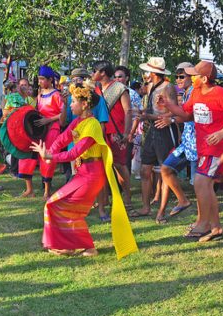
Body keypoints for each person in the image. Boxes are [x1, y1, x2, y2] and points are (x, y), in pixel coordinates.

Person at [31, 83, 138, 259]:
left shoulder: (93, 125)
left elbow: (74, 152)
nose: (71, 105)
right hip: (82, 174)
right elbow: (61, 139)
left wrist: (50, 157)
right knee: (54, 205)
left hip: (91, 176)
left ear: (85, 104)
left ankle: (88, 247)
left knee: (69, 210)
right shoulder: (78, 121)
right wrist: (49, 151)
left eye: (73, 101)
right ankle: (66, 246)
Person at [162, 60, 223, 241]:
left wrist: (222, 132)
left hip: (218, 149)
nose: (191, 77)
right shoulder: (196, 93)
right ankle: (215, 228)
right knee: (205, 185)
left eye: (194, 75)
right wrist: (168, 105)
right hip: (204, 148)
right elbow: (186, 114)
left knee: (200, 182)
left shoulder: (221, 94)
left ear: (204, 78)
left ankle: (204, 224)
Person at [132, 57, 178, 224]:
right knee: (145, 170)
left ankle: (161, 212)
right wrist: (142, 111)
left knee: (165, 172)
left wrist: (147, 115)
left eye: (148, 71)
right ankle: (146, 207)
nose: (146, 74)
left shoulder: (168, 87)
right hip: (152, 130)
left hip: (165, 132)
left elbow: (174, 111)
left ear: (153, 72)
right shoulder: (150, 87)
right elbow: (152, 108)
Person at [60, 69, 110, 221]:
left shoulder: (98, 100)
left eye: (80, 79)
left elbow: (102, 124)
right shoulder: (70, 100)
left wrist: (92, 141)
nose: (77, 82)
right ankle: (80, 210)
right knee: (78, 180)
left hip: (93, 149)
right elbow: (63, 123)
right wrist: (63, 104)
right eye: (74, 79)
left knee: (99, 181)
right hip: (75, 148)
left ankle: (101, 209)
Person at [154, 62, 197, 219]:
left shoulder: (194, 92)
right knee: (166, 169)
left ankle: (205, 222)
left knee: (199, 185)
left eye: (181, 76)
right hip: (187, 143)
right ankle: (182, 201)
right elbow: (183, 113)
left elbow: (189, 116)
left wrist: (171, 120)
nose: (178, 80)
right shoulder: (186, 93)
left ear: (192, 77)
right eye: (176, 76)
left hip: (197, 144)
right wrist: (167, 115)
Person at [18, 66, 64, 199]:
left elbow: (63, 114)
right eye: (39, 79)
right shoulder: (40, 95)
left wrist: (48, 120)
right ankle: (29, 189)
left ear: (50, 80)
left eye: (42, 79)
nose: (40, 82)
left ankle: (47, 191)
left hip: (52, 129)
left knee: (48, 157)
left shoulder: (56, 94)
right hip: (40, 130)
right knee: (31, 157)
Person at [92, 61, 133, 211]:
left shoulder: (119, 88)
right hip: (100, 131)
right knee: (102, 166)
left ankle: (127, 199)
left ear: (102, 72)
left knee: (120, 166)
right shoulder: (95, 89)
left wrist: (127, 132)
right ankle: (105, 200)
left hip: (117, 132)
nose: (92, 74)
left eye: (94, 70)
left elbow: (128, 110)